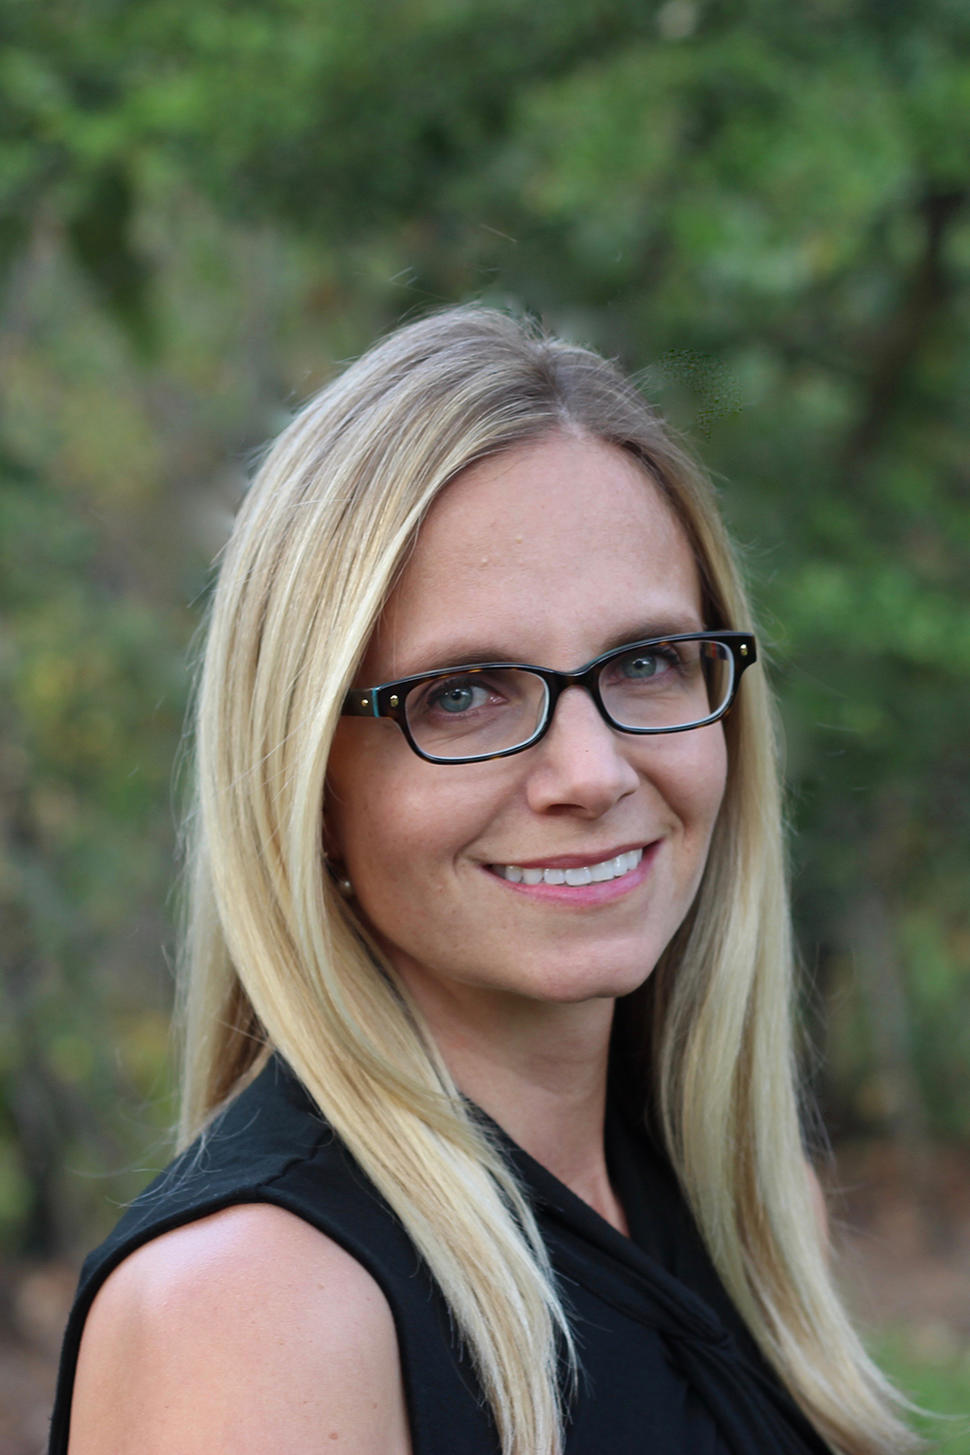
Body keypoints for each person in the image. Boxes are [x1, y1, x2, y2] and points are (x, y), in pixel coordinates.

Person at [49, 307, 917, 1455]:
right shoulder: (256, 1310)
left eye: (646, 661)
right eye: (463, 692)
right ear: (309, 786)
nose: (591, 773)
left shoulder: (757, 1227)